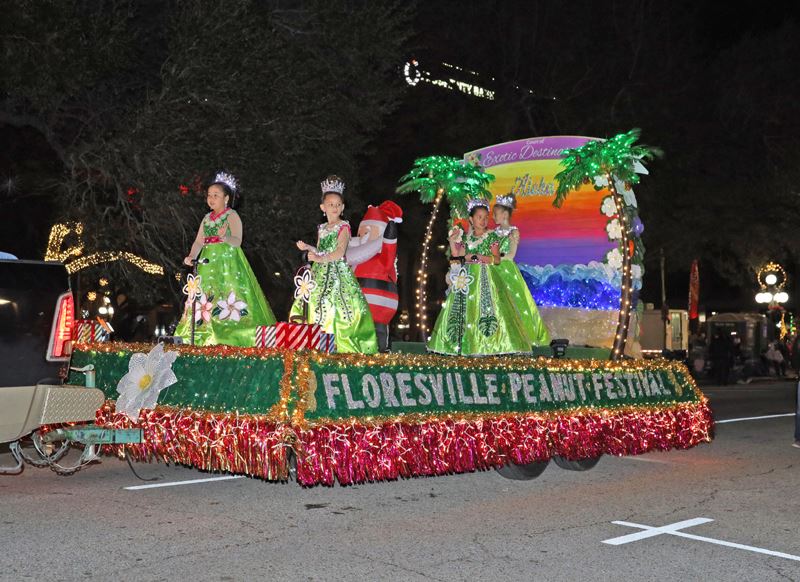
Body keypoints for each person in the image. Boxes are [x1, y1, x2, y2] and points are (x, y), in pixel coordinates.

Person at [175, 172, 276, 346]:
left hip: (228, 263)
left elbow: (237, 241)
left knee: (229, 294)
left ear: (226, 198)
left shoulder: (231, 216)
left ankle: (232, 331)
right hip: (207, 263)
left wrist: (225, 238)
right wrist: (192, 256)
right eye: (209, 195)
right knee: (205, 296)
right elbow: (199, 241)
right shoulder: (207, 218)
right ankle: (201, 330)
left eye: (216, 195)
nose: (211, 199)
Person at [427, 199, 532, 356]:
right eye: (479, 217)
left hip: (486, 276)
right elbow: (458, 257)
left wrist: (479, 257)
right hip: (467, 278)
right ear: (471, 219)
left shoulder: (491, 237)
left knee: (487, 309)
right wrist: (452, 241)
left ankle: (489, 345)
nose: (482, 221)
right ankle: (465, 345)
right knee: (465, 311)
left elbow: (496, 259)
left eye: (485, 217)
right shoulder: (466, 238)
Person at [291, 176, 378, 354]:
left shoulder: (343, 227)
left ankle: (339, 343)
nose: (335, 207)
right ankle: (314, 341)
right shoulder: (322, 228)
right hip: (320, 271)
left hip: (338, 273)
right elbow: (322, 249)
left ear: (343, 207)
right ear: (323, 207)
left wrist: (319, 259)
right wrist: (309, 248)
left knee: (337, 305)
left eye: (338, 204)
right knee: (313, 302)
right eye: (331, 204)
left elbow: (339, 252)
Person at [491, 194, 550, 346]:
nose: (493, 217)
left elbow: (511, 255)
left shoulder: (513, 232)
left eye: (495, 214)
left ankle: (523, 337)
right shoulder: (492, 233)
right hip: (493, 269)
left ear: (504, 214)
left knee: (515, 302)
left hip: (507, 270)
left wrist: (496, 257)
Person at [346, 200, 403, 353]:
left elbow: (389, 252)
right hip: (355, 310)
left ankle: (379, 348)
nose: (363, 235)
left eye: (368, 231)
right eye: (362, 232)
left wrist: (389, 238)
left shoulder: (383, 259)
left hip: (379, 309)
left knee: (378, 333)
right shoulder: (354, 258)